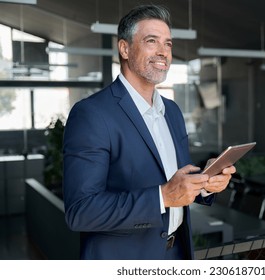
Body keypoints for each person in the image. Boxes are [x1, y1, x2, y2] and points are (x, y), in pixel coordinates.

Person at [62, 4, 235, 260]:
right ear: (124, 48)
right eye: (151, 41)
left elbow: (176, 180)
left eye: (168, 44)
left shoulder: (173, 112)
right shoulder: (92, 114)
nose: (163, 52)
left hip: (178, 253)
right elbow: (81, 211)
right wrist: (161, 197)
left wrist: (206, 183)